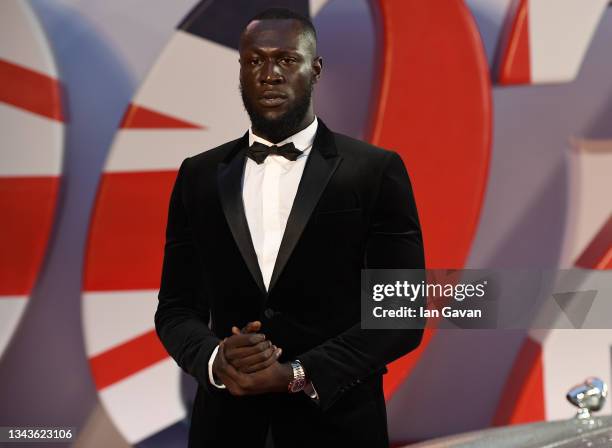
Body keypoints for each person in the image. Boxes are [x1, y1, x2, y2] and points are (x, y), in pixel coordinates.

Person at [155, 7, 425, 448]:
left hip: (337, 428)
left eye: (286, 59)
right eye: (255, 60)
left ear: (315, 70)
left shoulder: (375, 170)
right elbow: (175, 307)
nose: (269, 74)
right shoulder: (198, 176)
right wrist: (215, 358)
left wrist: (298, 374)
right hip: (224, 429)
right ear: (240, 70)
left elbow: (400, 314)